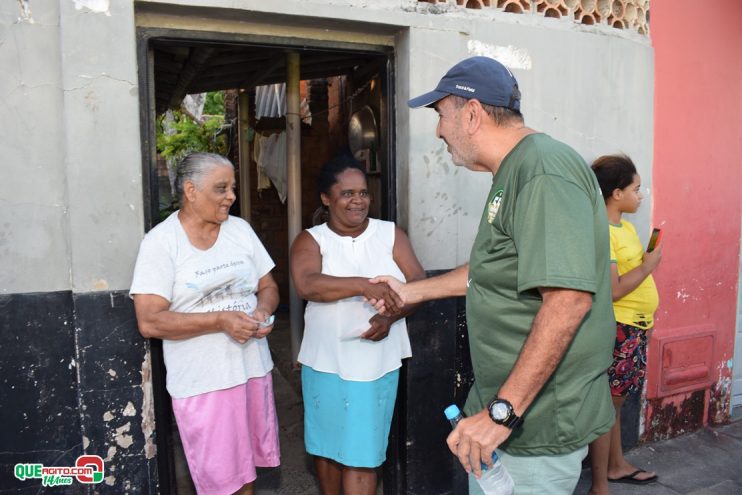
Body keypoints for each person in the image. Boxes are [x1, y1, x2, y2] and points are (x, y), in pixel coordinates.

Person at [371, 56, 616, 494]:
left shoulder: (543, 171)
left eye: (441, 116)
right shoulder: (516, 171)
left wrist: (503, 413)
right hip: (509, 411)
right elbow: (490, 271)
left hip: (535, 421)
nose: (440, 131)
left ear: (471, 112)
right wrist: (412, 291)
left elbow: (568, 300)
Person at [130, 152, 280, 495]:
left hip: (251, 370)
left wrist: (261, 312)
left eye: (233, 187)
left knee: (246, 476)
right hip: (204, 382)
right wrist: (220, 321)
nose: (231, 196)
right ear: (191, 190)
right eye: (221, 188)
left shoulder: (239, 230)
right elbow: (149, 321)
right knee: (219, 482)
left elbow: (268, 287)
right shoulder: (161, 243)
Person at [290, 153, 425, 495]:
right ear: (326, 198)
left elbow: (418, 284)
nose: (358, 200)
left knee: (363, 453)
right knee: (328, 447)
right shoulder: (311, 239)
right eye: (347, 193)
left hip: (375, 363)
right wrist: (364, 284)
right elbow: (309, 285)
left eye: (363, 192)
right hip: (325, 361)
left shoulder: (390, 234)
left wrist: (390, 317)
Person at [587, 154, 661, 494]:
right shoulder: (602, 230)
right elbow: (613, 289)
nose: (641, 195)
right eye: (636, 188)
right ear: (616, 193)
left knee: (614, 403)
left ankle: (615, 466)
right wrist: (648, 266)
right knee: (607, 405)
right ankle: (600, 483)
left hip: (636, 326)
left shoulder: (626, 227)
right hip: (620, 326)